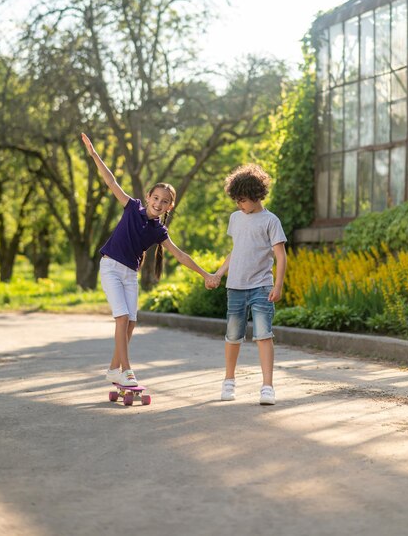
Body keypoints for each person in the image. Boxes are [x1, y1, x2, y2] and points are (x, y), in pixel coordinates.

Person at [81, 133, 215, 387]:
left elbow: (180, 255)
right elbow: (110, 180)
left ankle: (113, 369)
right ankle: (127, 370)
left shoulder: (159, 231)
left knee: (131, 322)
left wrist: (206, 274)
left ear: (169, 207)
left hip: (130, 274)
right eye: (155, 198)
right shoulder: (131, 207)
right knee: (122, 318)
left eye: (164, 202)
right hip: (110, 266)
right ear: (149, 196)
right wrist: (94, 155)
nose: (158, 203)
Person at [212, 163, 287, 406]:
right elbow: (236, 251)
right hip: (235, 287)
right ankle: (229, 381)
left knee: (264, 335)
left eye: (242, 200)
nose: (239, 205)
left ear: (256, 196)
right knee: (233, 336)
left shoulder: (270, 220)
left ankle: (267, 387)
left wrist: (279, 286)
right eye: (236, 200)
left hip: (262, 287)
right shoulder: (236, 218)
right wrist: (219, 273)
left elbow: (281, 255)